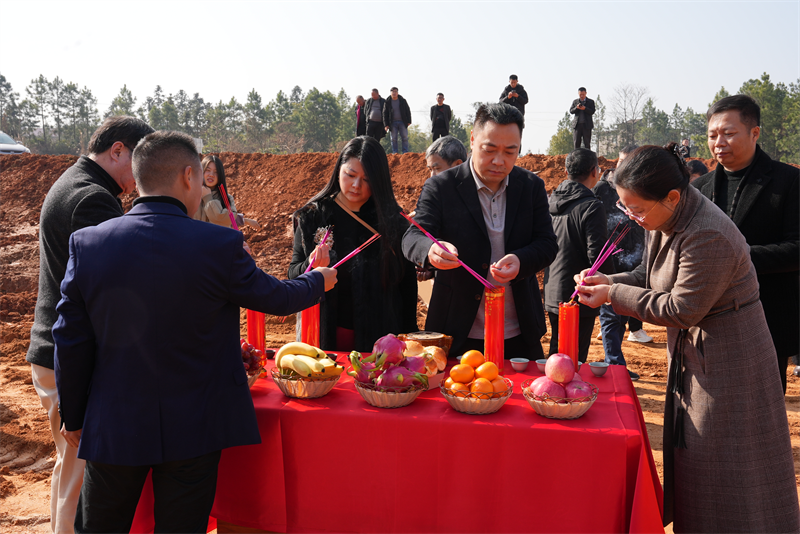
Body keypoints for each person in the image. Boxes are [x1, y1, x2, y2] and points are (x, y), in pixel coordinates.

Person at [53, 131, 337, 533]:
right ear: (189, 176)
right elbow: (275, 298)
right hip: (195, 424)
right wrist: (318, 281)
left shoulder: (88, 243)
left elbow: (70, 338)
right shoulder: (218, 244)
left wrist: (74, 414)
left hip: (114, 422)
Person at [575, 143, 800, 534]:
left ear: (672, 196)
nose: (633, 217)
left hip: (731, 363)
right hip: (700, 355)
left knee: (730, 467)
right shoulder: (668, 216)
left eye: (638, 209)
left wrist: (612, 295)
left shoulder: (708, 233)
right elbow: (651, 273)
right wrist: (609, 280)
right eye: (627, 208)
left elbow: (681, 309)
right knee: (698, 458)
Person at [26, 115, 153, 533]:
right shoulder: (92, 199)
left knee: (71, 468)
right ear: (117, 150)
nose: (143, 176)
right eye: (139, 161)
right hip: (71, 356)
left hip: (55, 349)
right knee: (83, 474)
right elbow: (111, 289)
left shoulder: (75, 183)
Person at [402, 103, 558, 360]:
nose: (499, 161)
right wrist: (431, 250)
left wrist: (520, 260)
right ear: (473, 140)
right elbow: (413, 236)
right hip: (457, 330)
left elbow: (547, 243)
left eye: (510, 151)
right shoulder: (441, 187)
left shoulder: (530, 187)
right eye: (490, 149)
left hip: (518, 331)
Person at [693, 94, 800, 393]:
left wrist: (738, 259)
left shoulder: (788, 181)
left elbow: (796, 248)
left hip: (766, 319)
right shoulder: (698, 189)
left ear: (755, 133)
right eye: (712, 135)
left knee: (762, 412)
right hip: (708, 319)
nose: (718, 143)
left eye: (728, 133)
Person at [289, 136, 418, 352]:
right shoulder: (313, 217)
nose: (356, 186)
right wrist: (309, 267)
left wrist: (409, 335)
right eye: (350, 175)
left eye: (367, 180)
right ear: (339, 169)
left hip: (381, 341)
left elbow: (407, 285)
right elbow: (294, 274)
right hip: (323, 338)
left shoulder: (393, 222)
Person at [544, 149, 610, 363]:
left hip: (553, 291)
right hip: (578, 294)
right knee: (572, 358)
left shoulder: (549, 203)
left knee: (557, 353)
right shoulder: (592, 207)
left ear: (565, 171)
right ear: (595, 171)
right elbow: (597, 256)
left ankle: (548, 396)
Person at [194, 155, 258, 230]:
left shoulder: (227, 198)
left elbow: (224, 220)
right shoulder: (190, 195)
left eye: (216, 172)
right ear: (201, 171)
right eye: (208, 170)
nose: (211, 175)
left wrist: (208, 198)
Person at [383, 87, 412, 154]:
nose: (394, 93)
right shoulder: (387, 102)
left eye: (395, 91)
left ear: (397, 92)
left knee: (404, 137)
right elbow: (384, 113)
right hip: (392, 123)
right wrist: (386, 124)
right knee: (393, 138)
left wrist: (409, 121)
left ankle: (405, 152)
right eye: (393, 91)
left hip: (402, 122)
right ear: (390, 93)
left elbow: (408, 110)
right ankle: (395, 152)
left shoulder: (402, 100)